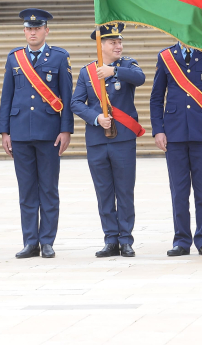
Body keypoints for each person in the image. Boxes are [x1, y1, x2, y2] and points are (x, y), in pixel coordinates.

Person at [0, 8, 74, 259]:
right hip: (20, 133)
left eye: (37, 28)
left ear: (46, 30)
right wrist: (4, 131)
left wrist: (66, 129)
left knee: (49, 189)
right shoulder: (14, 58)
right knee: (27, 190)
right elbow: (7, 97)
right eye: (28, 28)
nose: (32, 32)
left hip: (49, 132)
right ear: (24, 31)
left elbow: (66, 95)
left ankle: (47, 240)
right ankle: (30, 240)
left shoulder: (60, 57)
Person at [71, 23, 145, 258]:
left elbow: (140, 78)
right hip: (97, 140)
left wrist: (114, 72)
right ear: (100, 46)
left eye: (120, 42)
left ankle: (126, 239)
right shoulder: (87, 72)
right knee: (104, 191)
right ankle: (110, 239)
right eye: (113, 42)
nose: (118, 46)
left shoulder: (127, 65)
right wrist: (95, 118)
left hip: (123, 139)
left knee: (124, 190)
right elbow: (76, 103)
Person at [150, 39, 202, 257]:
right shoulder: (166, 56)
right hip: (174, 134)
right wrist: (158, 129)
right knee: (179, 191)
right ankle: (181, 240)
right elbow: (157, 97)